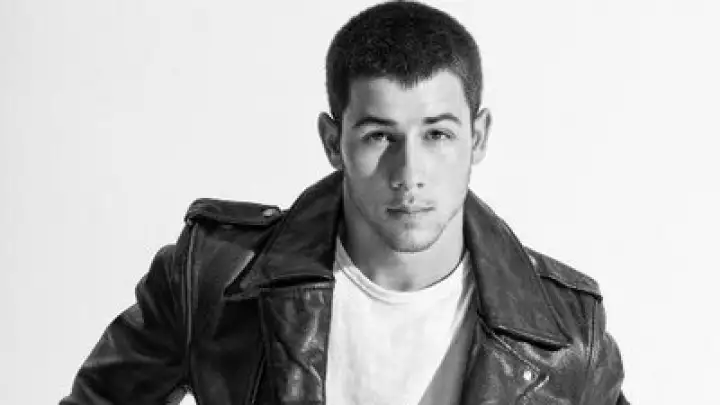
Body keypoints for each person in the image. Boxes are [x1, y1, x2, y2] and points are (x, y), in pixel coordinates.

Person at [61, 1, 629, 404]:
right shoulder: (214, 276)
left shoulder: (566, 335)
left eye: (437, 134)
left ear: (477, 138)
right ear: (333, 142)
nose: (409, 175)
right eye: (380, 136)